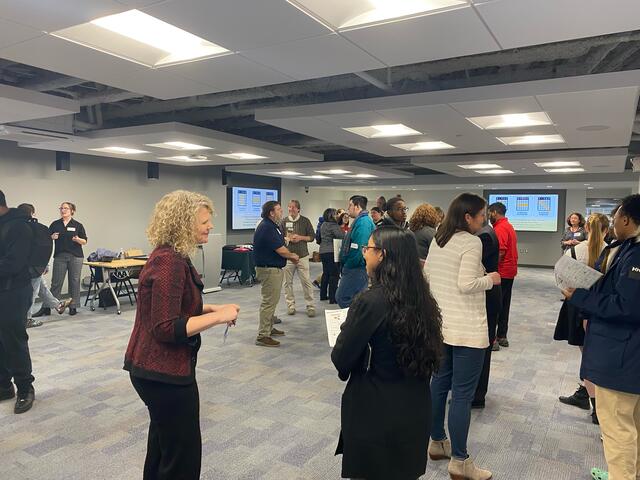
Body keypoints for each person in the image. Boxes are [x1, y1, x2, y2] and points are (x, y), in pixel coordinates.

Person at [124, 190, 239, 480]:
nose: (210, 227)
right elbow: (165, 326)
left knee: (164, 446)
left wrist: (213, 307)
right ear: (182, 224)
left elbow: (178, 304)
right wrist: (217, 317)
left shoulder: (173, 256)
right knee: (182, 456)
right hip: (161, 372)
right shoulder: (169, 262)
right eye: (204, 221)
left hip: (154, 369)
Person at [331, 226, 443, 480]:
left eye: (368, 248)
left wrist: (347, 329)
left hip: (377, 414)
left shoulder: (369, 302)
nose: (364, 254)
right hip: (414, 410)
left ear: (382, 255)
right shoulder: (423, 298)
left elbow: (341, 359)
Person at [562, 194, 640, 480]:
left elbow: (627, 306)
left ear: (626, 219)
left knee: (617, 430)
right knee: (631, 425)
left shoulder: (636, 254)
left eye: (617, 216)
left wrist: (580, 297)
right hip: (626, 354)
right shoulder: (627, 248)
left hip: (621, 357)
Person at [424, 193, 500, 480]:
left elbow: (429, 277)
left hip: (442, 327)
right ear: (468, 217)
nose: (485, 219)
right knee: (462, 396)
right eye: (482, 215)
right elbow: (467, 284)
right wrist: (490, 279)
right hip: (467, 330)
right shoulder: (471, 242)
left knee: (439, 385)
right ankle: (460, 460)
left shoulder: (438, 240)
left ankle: (436, 442)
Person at [556, 213, 610, 425]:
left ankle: (596, 406)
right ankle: (590, 397)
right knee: (596, 356)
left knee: (587, 357)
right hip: (601, 308)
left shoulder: (574, 251)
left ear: (586, 228)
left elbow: (563, 280)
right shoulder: (614, 252)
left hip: (578, 306)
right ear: (607, 229)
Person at [0, 190, 36, 414]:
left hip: (14, 291)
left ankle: (25, 387)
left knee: (14, 340)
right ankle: (4, 386)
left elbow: (13, 264)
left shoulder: (19, 227)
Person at [16, 204, 71, 328]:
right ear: (33, 213)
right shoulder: (40, 228)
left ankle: (58, 306)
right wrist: (45, 265)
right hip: (34, 267)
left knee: (42, 288)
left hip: (20, 266)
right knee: (31, 293)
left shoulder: (14, 227)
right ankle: (27, 319)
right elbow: (44, 248)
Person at [254, 201, 299, 347]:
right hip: (269, 270)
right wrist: (293, 256)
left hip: (272, 268)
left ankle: (269, 328)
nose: (282, 212)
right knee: (269, 302)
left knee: (272, 301)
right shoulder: (267, 227)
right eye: (279, 210)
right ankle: (263, 335)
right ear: (271, 213)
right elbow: (280, 250)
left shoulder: (273, 226)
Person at [472, 222, 502, 409]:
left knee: (482, 346)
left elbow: (471, 268)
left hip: (487, 296)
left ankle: (477, 395)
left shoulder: (483, 236)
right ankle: (476, 392)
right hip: (488, 294)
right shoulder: (485, 231)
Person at [335, 195, 375, 308]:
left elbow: (359, 250)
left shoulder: (363, 223)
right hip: (356, 267)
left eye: (350, 205)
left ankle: (355, 322)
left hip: (356, 268)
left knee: (342, 297)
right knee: (356, 297)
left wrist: (348, 264)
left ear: (357, 206)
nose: (348, 208)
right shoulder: (360, 221)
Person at [48, 202, 87, 316]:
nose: (63, 210)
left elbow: (84, 241)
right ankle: (48, 307)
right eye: (61, 208)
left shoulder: (78, 225)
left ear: (72, 211)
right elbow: (47, 238)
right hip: (60, 256)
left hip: (76, 256)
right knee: (56, 282)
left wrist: (78, 239)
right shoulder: (55, 224)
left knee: (74, 282)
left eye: (65, 208)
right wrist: (52, 237)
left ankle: (73, 306)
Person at [488, 202, 518, 350]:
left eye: (488, 213)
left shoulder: (500, 228)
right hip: (509, 272)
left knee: (495, 306)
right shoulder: (509, 226)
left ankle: (493, 339)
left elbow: (500, 251)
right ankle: (502, 336)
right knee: (504, 305)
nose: (487, 216)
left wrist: (490, 269)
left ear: (494, 212)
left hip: (501, 272)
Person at [280, 200, 316, 317]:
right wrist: (287, 238)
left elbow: (312, 237)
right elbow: (279, 236)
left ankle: (310, 306)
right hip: (288, 256)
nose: (291, 209)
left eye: (293, 207)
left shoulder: (305, 221)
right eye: (289, 207)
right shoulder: (284, 221)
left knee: (306, 282)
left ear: (298, 209)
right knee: (287, 283)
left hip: (302, 256)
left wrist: (300, 237)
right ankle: (290, 305)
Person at [319, 208, 345, 304]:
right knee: (334, 274)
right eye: (335, 214)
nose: (337, 216)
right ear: (331, 215)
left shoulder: (323, 225)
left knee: (326, 273)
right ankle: (332, 298)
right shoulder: (333, 225)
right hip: (331, 252)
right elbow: (341, 236)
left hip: (322, 251)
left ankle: (323, 295)